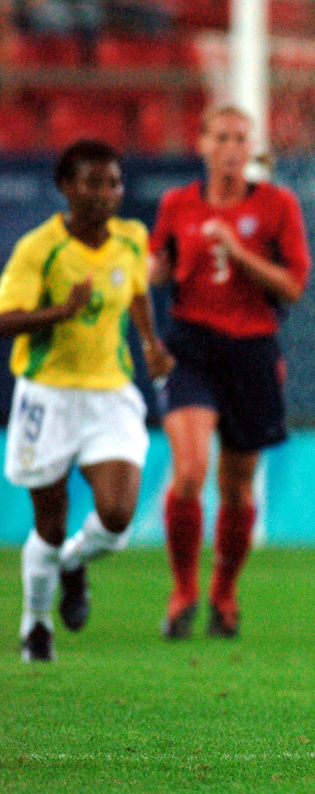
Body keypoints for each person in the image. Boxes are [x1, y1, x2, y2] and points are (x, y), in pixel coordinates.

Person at [0, 138, 173, 662]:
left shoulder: (130, 237)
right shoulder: (40, 247)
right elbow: (6, 319)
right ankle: (35, 622)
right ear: (65, 187)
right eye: (92, 182)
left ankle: (75, 563)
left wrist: (149, 342)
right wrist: (60, 311)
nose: (105, 193)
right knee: (49, 525)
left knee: (117, 517)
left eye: (114, 182)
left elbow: (137, 291)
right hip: (47, 396)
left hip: (110, 395)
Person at [149, 104, 311, 640]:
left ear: (251, 148)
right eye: (221, 137)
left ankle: (224, 593)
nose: (231, 147)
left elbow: (292, 286)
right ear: (201, 144)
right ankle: (183, 593)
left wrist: (238, 253)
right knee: (190, 471)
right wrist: (143, 270)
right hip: (191, 347)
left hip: (252, 351)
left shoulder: (276, 205)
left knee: (238, 489)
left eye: (241, 138)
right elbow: (157, 267)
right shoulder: (177, 204)